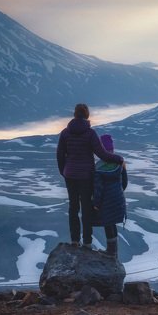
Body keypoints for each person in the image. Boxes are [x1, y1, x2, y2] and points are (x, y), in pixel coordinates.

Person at [57, 103, 123, 249]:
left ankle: (74, 240)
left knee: (73, 207)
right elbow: (102, 154)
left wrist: (64, 171)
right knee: (86, 208)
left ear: (74, 114)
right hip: (86, 176)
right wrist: (118, 159)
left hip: (70, 175)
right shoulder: (90, 134)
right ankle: (87, 242)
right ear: (87, 115)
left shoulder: (65, 133)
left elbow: (60, 155)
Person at [92, 134, 128, 258]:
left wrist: (96, 204)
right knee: (112, 224)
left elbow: (98, 188)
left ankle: (111, 252)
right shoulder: (120, 162)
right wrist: (117, 191)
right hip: (118, 198)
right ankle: (114, 252)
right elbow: (124, 183)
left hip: (105, 201)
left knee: (108, 224)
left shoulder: (98, 167)